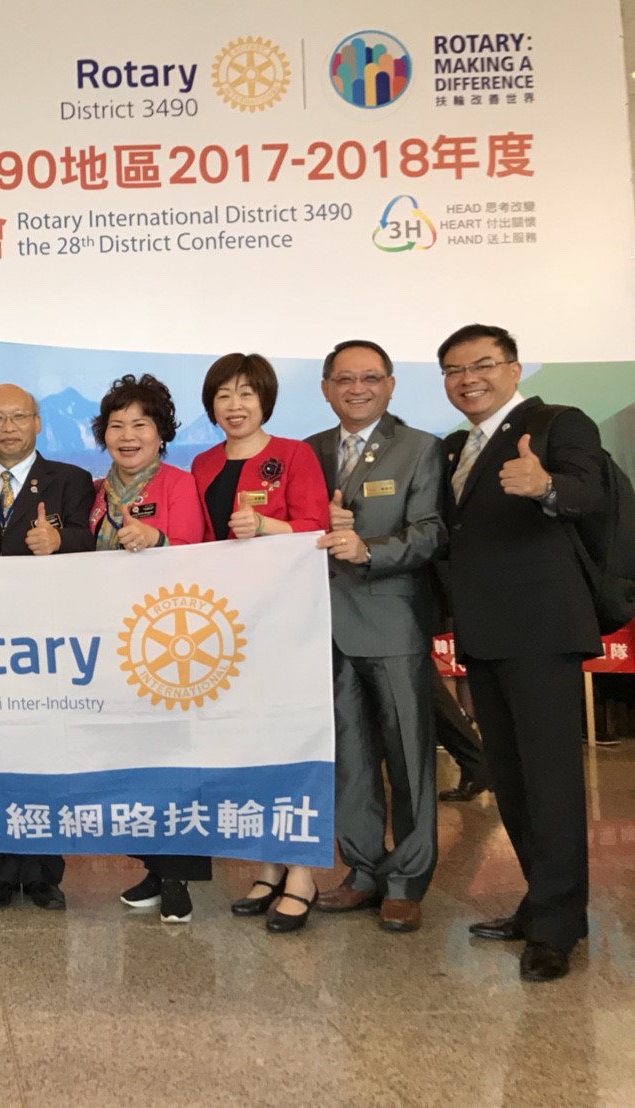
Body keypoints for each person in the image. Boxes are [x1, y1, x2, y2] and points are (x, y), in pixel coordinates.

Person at [438, 323, 605, 981]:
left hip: (541, 630)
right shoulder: (456, 447)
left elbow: (586, 491)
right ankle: (541, 903)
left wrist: (545, 487)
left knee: (551, 782)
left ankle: (559, 926)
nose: (468, 379)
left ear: (513, 368)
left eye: (482, 364)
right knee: (510, 779)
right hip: (485, 633)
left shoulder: (557, 422)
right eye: (454, 369)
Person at [306, 340, 446, 934]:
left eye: (369, 378)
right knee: (350, 760)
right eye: (344, 379)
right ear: (325, 388)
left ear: (389, 385)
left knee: (409, 759)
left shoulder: (420, 448)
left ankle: (407, 881)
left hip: (392, 626)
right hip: (322, 630)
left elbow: (431, 532)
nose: (356, 389)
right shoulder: (307, 451)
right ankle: (363, 871)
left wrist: (369, 550)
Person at [191, 352, 330, 933]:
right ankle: (268, 866)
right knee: (245, 743)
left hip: (284, 621)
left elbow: (318, 527)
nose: (235, 405)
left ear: (265, 400)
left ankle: (303, 873)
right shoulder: (202, 463)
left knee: (288, 738)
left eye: (247, 393)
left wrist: (268, 526)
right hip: (227, 625)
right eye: (224, 394)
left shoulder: (294, 455)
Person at [85, 375, 209, 923]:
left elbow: (200, 554)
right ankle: (155, 868)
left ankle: (178, 877)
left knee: (172, 761)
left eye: (141, 424)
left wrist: (158, 540)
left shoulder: (179, 485)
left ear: (162, 434)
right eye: (117, 426)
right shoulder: (95, 493)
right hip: (109, 645)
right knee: (129, 763)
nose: (128, 436)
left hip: (165, 645)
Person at [0, 383, 93, 913]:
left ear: (38, 423)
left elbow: (94, 543)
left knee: (46, 753)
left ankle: (44, 873)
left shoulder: (72, 480)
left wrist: (61, 542)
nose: (9, 427)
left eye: (19, 416)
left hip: (47, 643)